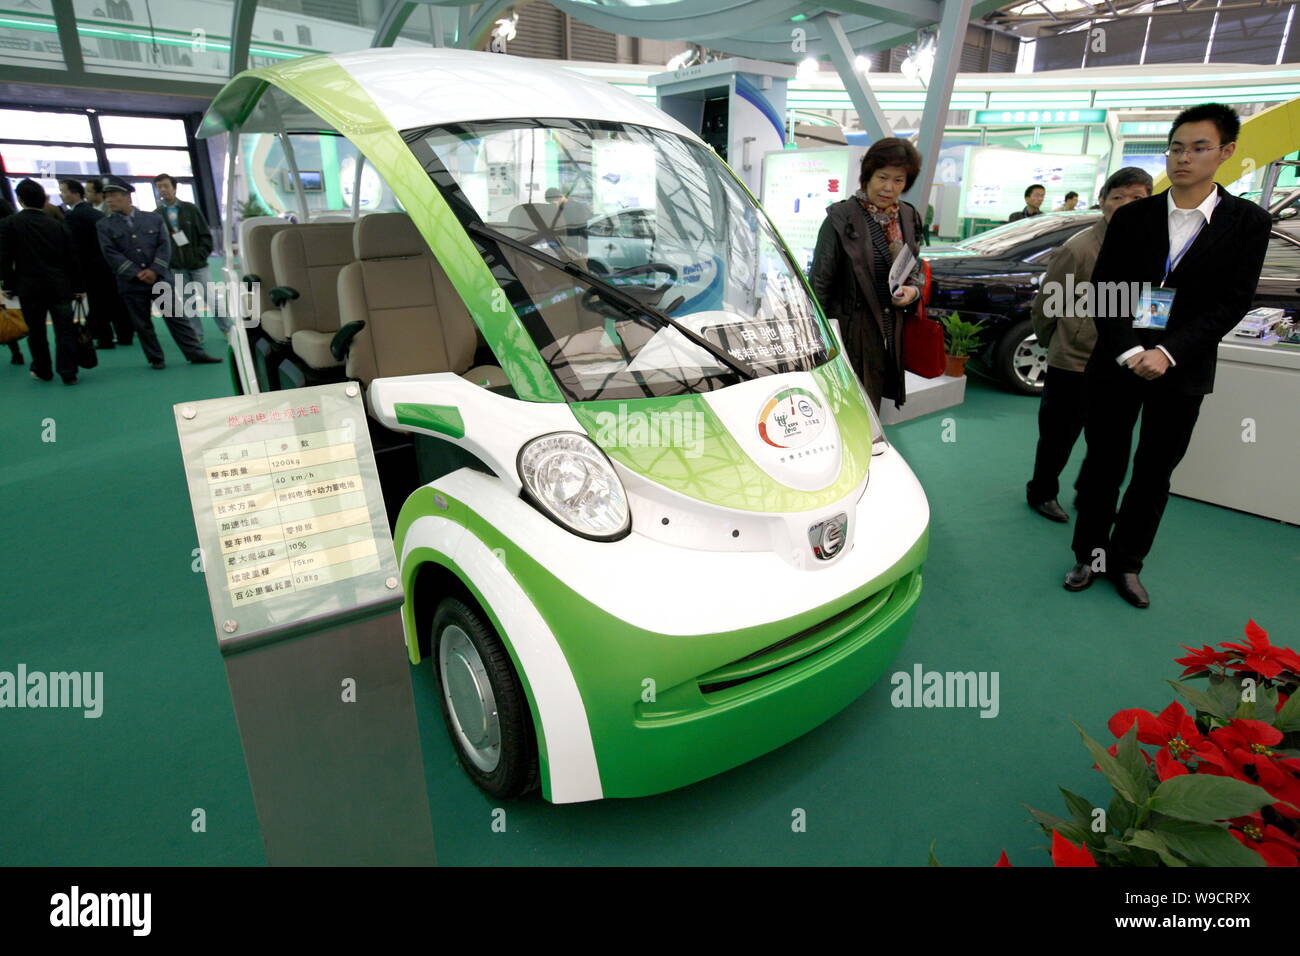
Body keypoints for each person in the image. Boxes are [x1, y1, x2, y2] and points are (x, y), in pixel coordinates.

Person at [1064, 103, 1272, 608]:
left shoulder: (1247, 222)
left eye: (1199, 148)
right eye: (1176, 147)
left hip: (1182, 368)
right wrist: (1134, 348)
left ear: (1226, 152)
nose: (1184, 158)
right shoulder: (1134, 216)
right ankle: (1090, 556)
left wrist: (1169, 352)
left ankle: (1128, 564)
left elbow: (1233, 301)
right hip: (1118, 360)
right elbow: (1105, 290)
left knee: (1155, 470)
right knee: (1103, 463)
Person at [1026, 167, 1153, 522]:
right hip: (1075, 361)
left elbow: (1154, 305)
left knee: (1111, 440)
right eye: (1118, 197)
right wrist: (1061, 343)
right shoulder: (1078, 249)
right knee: (1058, 435)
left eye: (1137, 198)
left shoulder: (1154, 248)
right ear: (1102, 202)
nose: (1126, 205)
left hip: (1126, 362)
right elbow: (1045, 307)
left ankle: (1090, 492)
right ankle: (1041, 491)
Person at [810, 137, 925, 412]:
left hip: (890, 326)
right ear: (868, 175)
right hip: (852, 331)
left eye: (898, 180)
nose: (889, 188)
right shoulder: (841, 217)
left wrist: (913, 290)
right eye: (882, 177)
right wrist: (819, 343)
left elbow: (915, 265)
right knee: (851, 404)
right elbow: (819, 284)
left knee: (874, 400)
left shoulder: (908, 216)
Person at [95, 176, 221, 369]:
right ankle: (156, 359)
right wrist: (137, 273)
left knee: (177, 318)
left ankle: (195, 353)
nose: (109, 200)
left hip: (159, 278)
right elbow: (110, 252)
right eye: (107, 197)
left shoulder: (153, 218)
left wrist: (154, 270)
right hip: (132, 283)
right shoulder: (104, 225)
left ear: (127, 197)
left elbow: (164, 245)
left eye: (113, 196)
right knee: (143, 325)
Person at [0, 179, 85, 385]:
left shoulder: (9, 225)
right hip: (59, 286)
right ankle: (69, 372)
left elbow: (5, 259)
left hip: (29, 288)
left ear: (20, 200)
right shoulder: (57, 225)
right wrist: (78, 287)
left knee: (36, 332)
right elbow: (72, 258)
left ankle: (42, 369)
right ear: (43, 200)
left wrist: (8, 286)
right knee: (64, 331)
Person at [153, 173, 227, 341]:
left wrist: (199, 255)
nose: (163, 190)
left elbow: (205, 236)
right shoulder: (156, 215)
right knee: (188, 301)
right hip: (177, 267)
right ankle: (197, 334)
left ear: (174, 187)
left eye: (166, 186)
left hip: (198, 265)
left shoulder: (190, 209)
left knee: (211, 298)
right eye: (159, 187)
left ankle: (227, 329)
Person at [60, 178, 130, 350]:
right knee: (115, 300)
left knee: (98, 303)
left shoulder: (73, 216)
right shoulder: (96, 214)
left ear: (75, 194)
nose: (61, 195)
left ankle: (105, 339)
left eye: (63, 191)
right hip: (108, 263)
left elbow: (73, 246)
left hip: (90, 266)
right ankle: (124, 334)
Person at [0, 196, 23, 366]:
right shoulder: (15, 225)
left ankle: (15, 350)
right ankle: (15, 350)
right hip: (14, 277)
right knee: (6, 314)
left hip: (6, 277)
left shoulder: (4, 229)